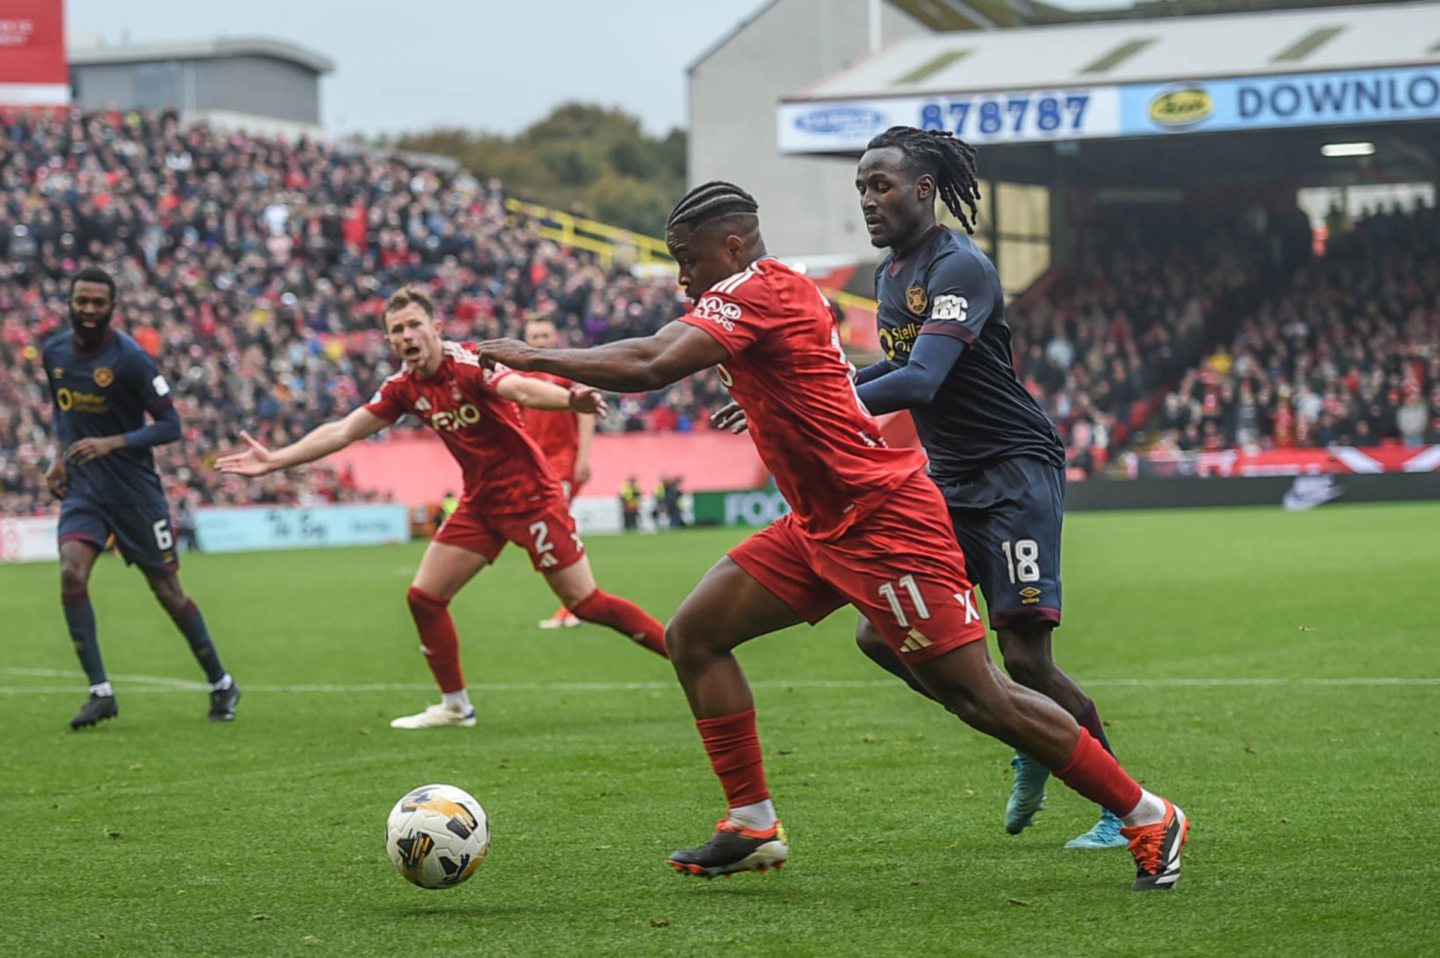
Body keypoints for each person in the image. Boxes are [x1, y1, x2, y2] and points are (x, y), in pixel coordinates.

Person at [475, 182, 1188, 892]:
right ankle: (753, 823)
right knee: (692, 635)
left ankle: (1147, 814)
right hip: (819, 525)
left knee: (983, 698)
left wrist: (535, 358)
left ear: (732, 245)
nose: (682, 277)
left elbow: (652, 363)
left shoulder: (759, 291)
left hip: (884, 522)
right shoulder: (781, 291)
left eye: (685, 259)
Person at [216, 286, 669, 730]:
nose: (407, 335)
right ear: (391, 342)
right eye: (397, 330)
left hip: (533, 499)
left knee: (586, 603)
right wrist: (276, 459)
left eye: (414, 325)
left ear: (435, 327)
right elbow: (344, 430)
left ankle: (684, 651)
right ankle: (455, 707)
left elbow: (522, 390)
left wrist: (570, 399)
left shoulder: (469, 364)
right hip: (481, 504)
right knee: (424, 599)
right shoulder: (403, 387)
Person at [853, 126, 1127, 849]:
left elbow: (922, 378)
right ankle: (1025, 730)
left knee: (1027, 659)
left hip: (1013, 472)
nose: (868, 201)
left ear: (921, 189)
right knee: (882, 632)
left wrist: (821, 405)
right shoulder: (888, 274)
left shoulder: (960, 266)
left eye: (880, 186)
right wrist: (804, 390)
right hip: (951, 478)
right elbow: (890, 370)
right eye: (860, 189)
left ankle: (1118, 805)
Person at [42, 266, 239, 729]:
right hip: (85, 488)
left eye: (97, 303)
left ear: (111, 307)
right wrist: (57, 458)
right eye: (81, 301)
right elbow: (61, 409)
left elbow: (171, 425)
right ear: (70, 302)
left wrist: (113, 442)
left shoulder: (130, 358)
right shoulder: (53, 352)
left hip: (134, 492)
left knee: (167, 591)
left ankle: (221, 681)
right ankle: (100, 691)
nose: (88, 309)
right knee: (72, 574)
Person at [519, 314, 595, 630]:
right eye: (534, 336)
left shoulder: (566, 368)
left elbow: (587, 412)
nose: (539, 341)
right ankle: (575, 603)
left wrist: (584, 458)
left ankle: (577, 604)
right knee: (555, 530)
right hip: (536, 464)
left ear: (556, 338)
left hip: (564, 463)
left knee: (560, 527)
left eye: (544, 335)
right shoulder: (519, 374)